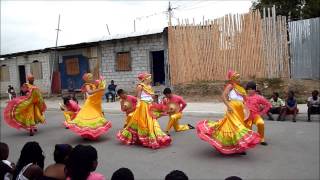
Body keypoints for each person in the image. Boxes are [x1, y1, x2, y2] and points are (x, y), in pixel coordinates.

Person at [196, 70, 260, 155]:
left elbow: (245, 101)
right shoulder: (230, 86)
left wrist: (247, 109)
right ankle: (240, 148)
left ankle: (239, 148)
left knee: (234, 128)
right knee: (238, 127)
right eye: (237, 77)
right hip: (232, 110)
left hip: (240, 111)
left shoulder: (240, 88)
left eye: (239, 77)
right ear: (232, 78)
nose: (239, 79)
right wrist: (229, 106)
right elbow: (223, 96)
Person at [117, 72, 171, 149]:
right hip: (143, 106)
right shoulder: (140, 86)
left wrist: (155, 104)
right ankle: (146, 137)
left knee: (152, 121)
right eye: (149, 78)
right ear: (145, 78)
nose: (151, 79)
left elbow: (151, 97)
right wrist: (138, 104)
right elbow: (138, 97)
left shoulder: (149, 86)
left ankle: (155, 135)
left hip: (149, 105)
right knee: (144, 121)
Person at [67, 73, 112, 140]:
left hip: (94, 103)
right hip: (90, 103)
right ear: (87, 79)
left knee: (94, 117)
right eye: (90, 78)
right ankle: (87, 134)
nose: (91, 79)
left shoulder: (92, 84)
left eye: (91, 77)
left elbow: (98, 86)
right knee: (89, 118)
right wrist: (100, 89)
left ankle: (91, 134)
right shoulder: (87, 85)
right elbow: (90, 92)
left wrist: (101, 82)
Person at [245, 81, 272, 146]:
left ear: (255, 89)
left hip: (256, 116)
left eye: (252, 89)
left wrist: (261, 113)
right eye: (248, 89)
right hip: (247, 117)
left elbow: (268, 105)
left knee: (261, 123)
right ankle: (248, 139)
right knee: (247, 128)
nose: (250, 90)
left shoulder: (259, 97)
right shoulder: (244, 97)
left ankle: (261, 139)